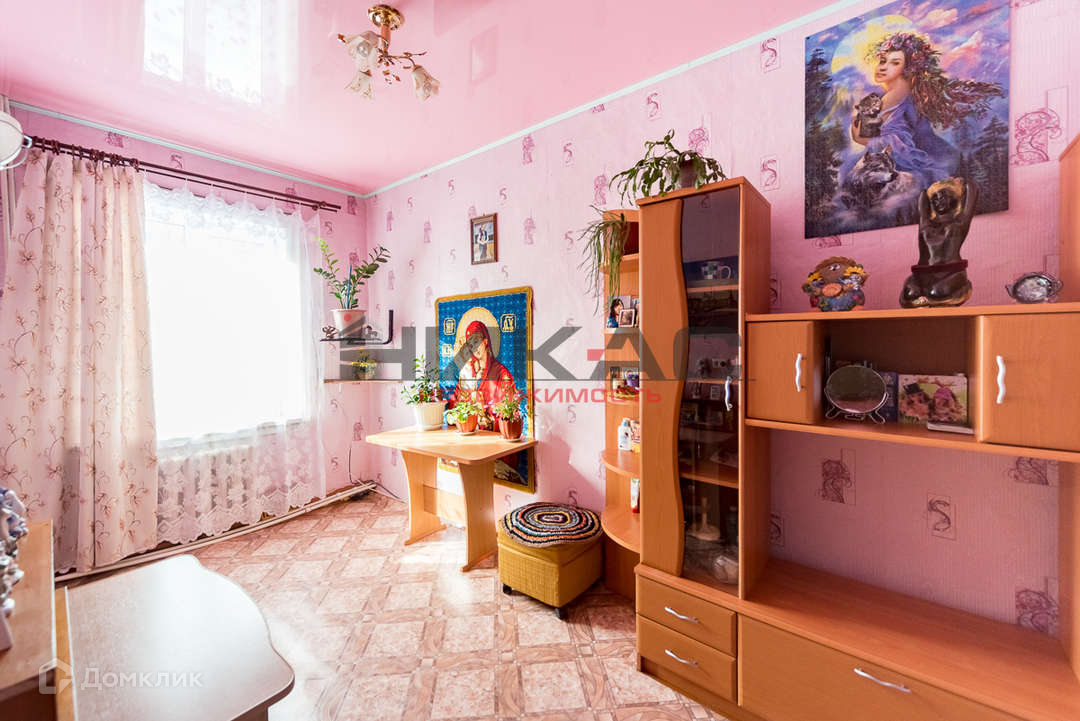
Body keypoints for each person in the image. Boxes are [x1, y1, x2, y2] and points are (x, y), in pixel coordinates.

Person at [848, 31, 1003, 189]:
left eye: (895, 63)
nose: (883, 67)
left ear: (909, 69)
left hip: (918, 163)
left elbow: (900, 147)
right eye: (882, 61)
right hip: (893, 164)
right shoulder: (884, 98)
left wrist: (864, 139)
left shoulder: (904, 100)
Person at [449, 321, 517, 420]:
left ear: (485, 342)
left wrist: (484, 407)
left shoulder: (501, 373)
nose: (475, 348)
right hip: (470, 427)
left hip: (493, 427)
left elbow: (509, 410)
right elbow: (455, 404)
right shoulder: (467, 373)